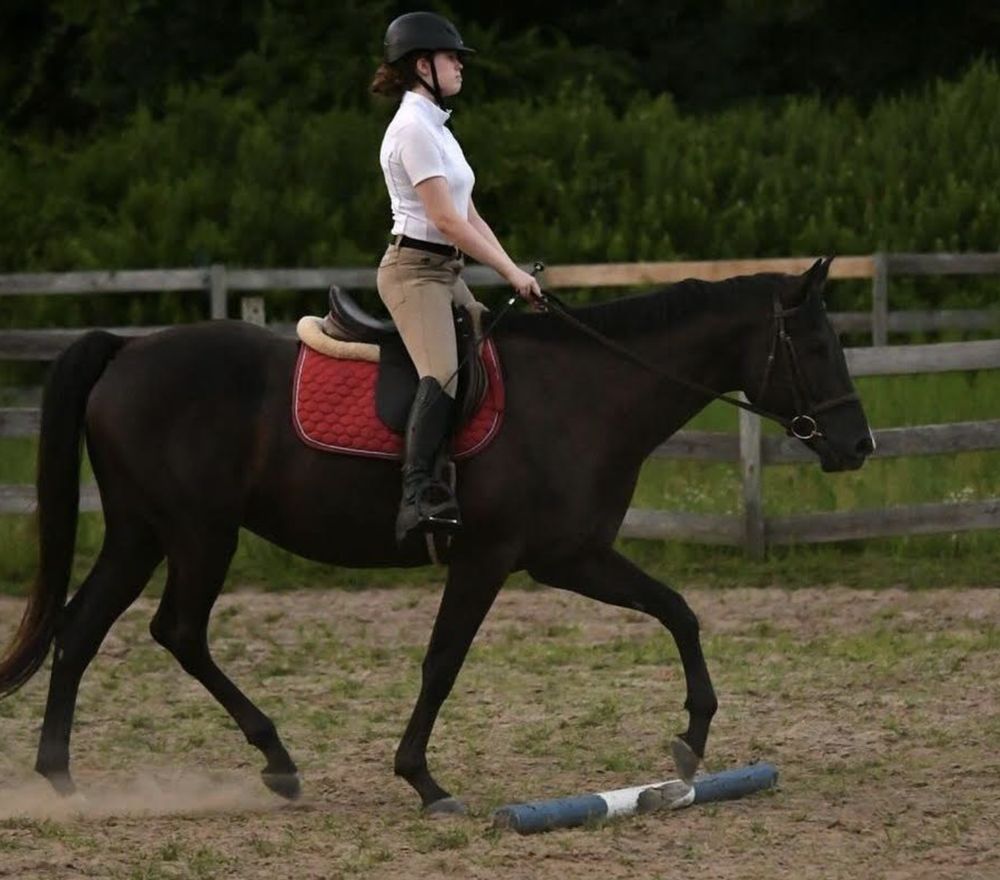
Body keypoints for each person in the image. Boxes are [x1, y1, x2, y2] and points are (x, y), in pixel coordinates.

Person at [371, 11, 542, 546]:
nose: (461, 67)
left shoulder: (439, 129)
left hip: (447, 270)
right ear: (422, 65)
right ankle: (417, 493)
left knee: (492, 356)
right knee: (442, 373)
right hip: (414, 273)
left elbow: (469, 214)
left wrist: (514, 272)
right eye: (452, 59)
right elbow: (444, 220)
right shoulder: (412, 130)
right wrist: (507, 270)